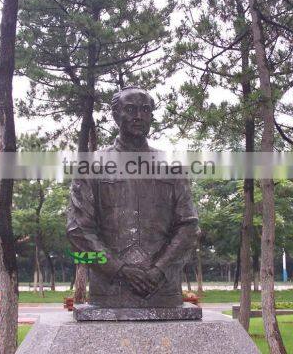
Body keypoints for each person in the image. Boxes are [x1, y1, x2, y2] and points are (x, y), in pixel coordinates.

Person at [67, 86, 199, 308]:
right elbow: (77, 232)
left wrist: (159, 270)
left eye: (145, 110)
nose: (139, 116)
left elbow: (189, 227)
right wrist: (119, 270)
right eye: (130, 109)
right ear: (115, 115)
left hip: (164, 290)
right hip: (107, 292)